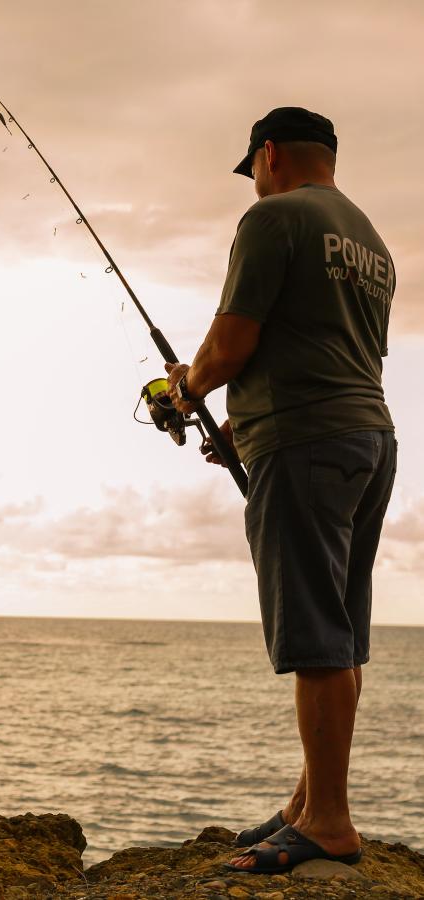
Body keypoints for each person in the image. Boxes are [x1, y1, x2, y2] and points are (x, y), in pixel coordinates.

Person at [165, 106, 397, 875]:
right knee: (342, 629)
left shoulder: (273, 220)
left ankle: (329, 822)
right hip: (367, 440)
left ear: (268, 155)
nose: (256, 182)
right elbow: (328, 351)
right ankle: (305, 802)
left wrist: (185, 391)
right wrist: (245, 425)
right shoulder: (371, 242)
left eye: (254, 168)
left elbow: (231, 344)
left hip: (306, 447)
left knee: (313, 636)